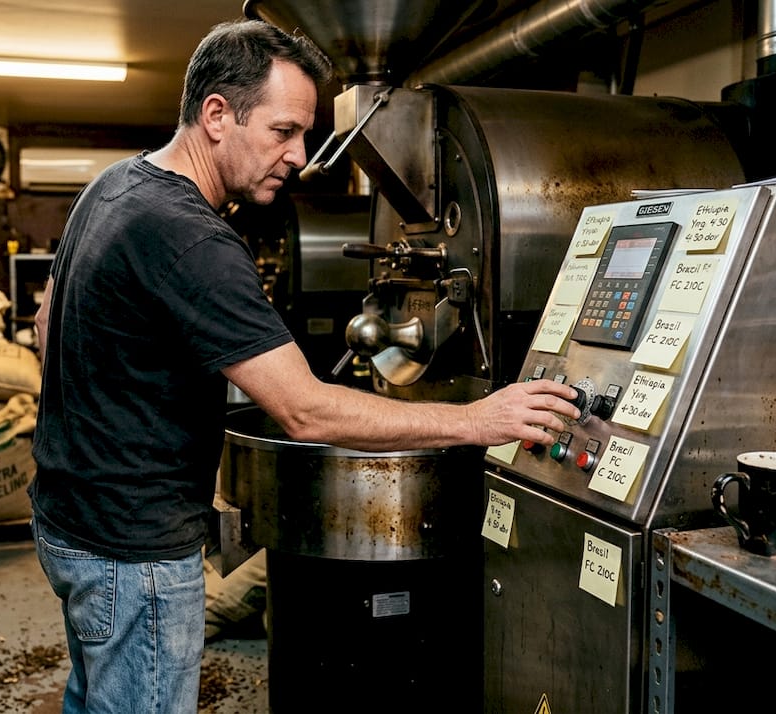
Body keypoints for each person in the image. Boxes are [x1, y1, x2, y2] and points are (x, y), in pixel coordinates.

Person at [30, 18, 580, 714]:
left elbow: (49, 323)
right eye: (283, 131)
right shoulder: (194, 238)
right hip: (132, 550)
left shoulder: (115, 186)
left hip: (67, 521)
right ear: (217, 115)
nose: (300, 155)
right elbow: (305, 409)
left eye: (305, 134)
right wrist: (477, 418)